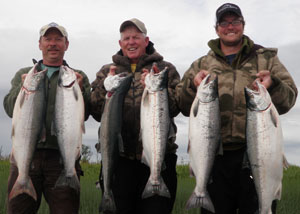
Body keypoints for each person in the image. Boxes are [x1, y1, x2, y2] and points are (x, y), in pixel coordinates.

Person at [176, 3, 298, 214]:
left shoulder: (266, 58)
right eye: (224, 22)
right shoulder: (201, 64)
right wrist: (191, 86)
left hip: (257, 156)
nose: (230, 26)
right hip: (213, 158)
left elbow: (289, 99)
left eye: (235, 21)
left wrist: (274, 83)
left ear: (243, 25)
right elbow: (183, 105)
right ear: (217, 28)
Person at [90, 18, 180, 214]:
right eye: (126, 38)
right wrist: (104, 88)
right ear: (120, 43)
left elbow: (175, 107)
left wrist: (159, 88)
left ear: (146, 41)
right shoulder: (106, 71)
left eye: (136, 37)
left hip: (159, 156)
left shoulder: (165, 69)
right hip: (118, 160)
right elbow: (96, 112)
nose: (131, 42)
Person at [3, 22, 91, 214]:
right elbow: (10, 108)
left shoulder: (77, 76)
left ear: (66, 45)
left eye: (58, 39)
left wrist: (81, 89)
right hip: (26, 156)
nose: (53, 43)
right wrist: (23, 86)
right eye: (48, 39)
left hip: (62, 159)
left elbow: (88, 112)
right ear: (40, 44)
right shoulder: (23, 74)